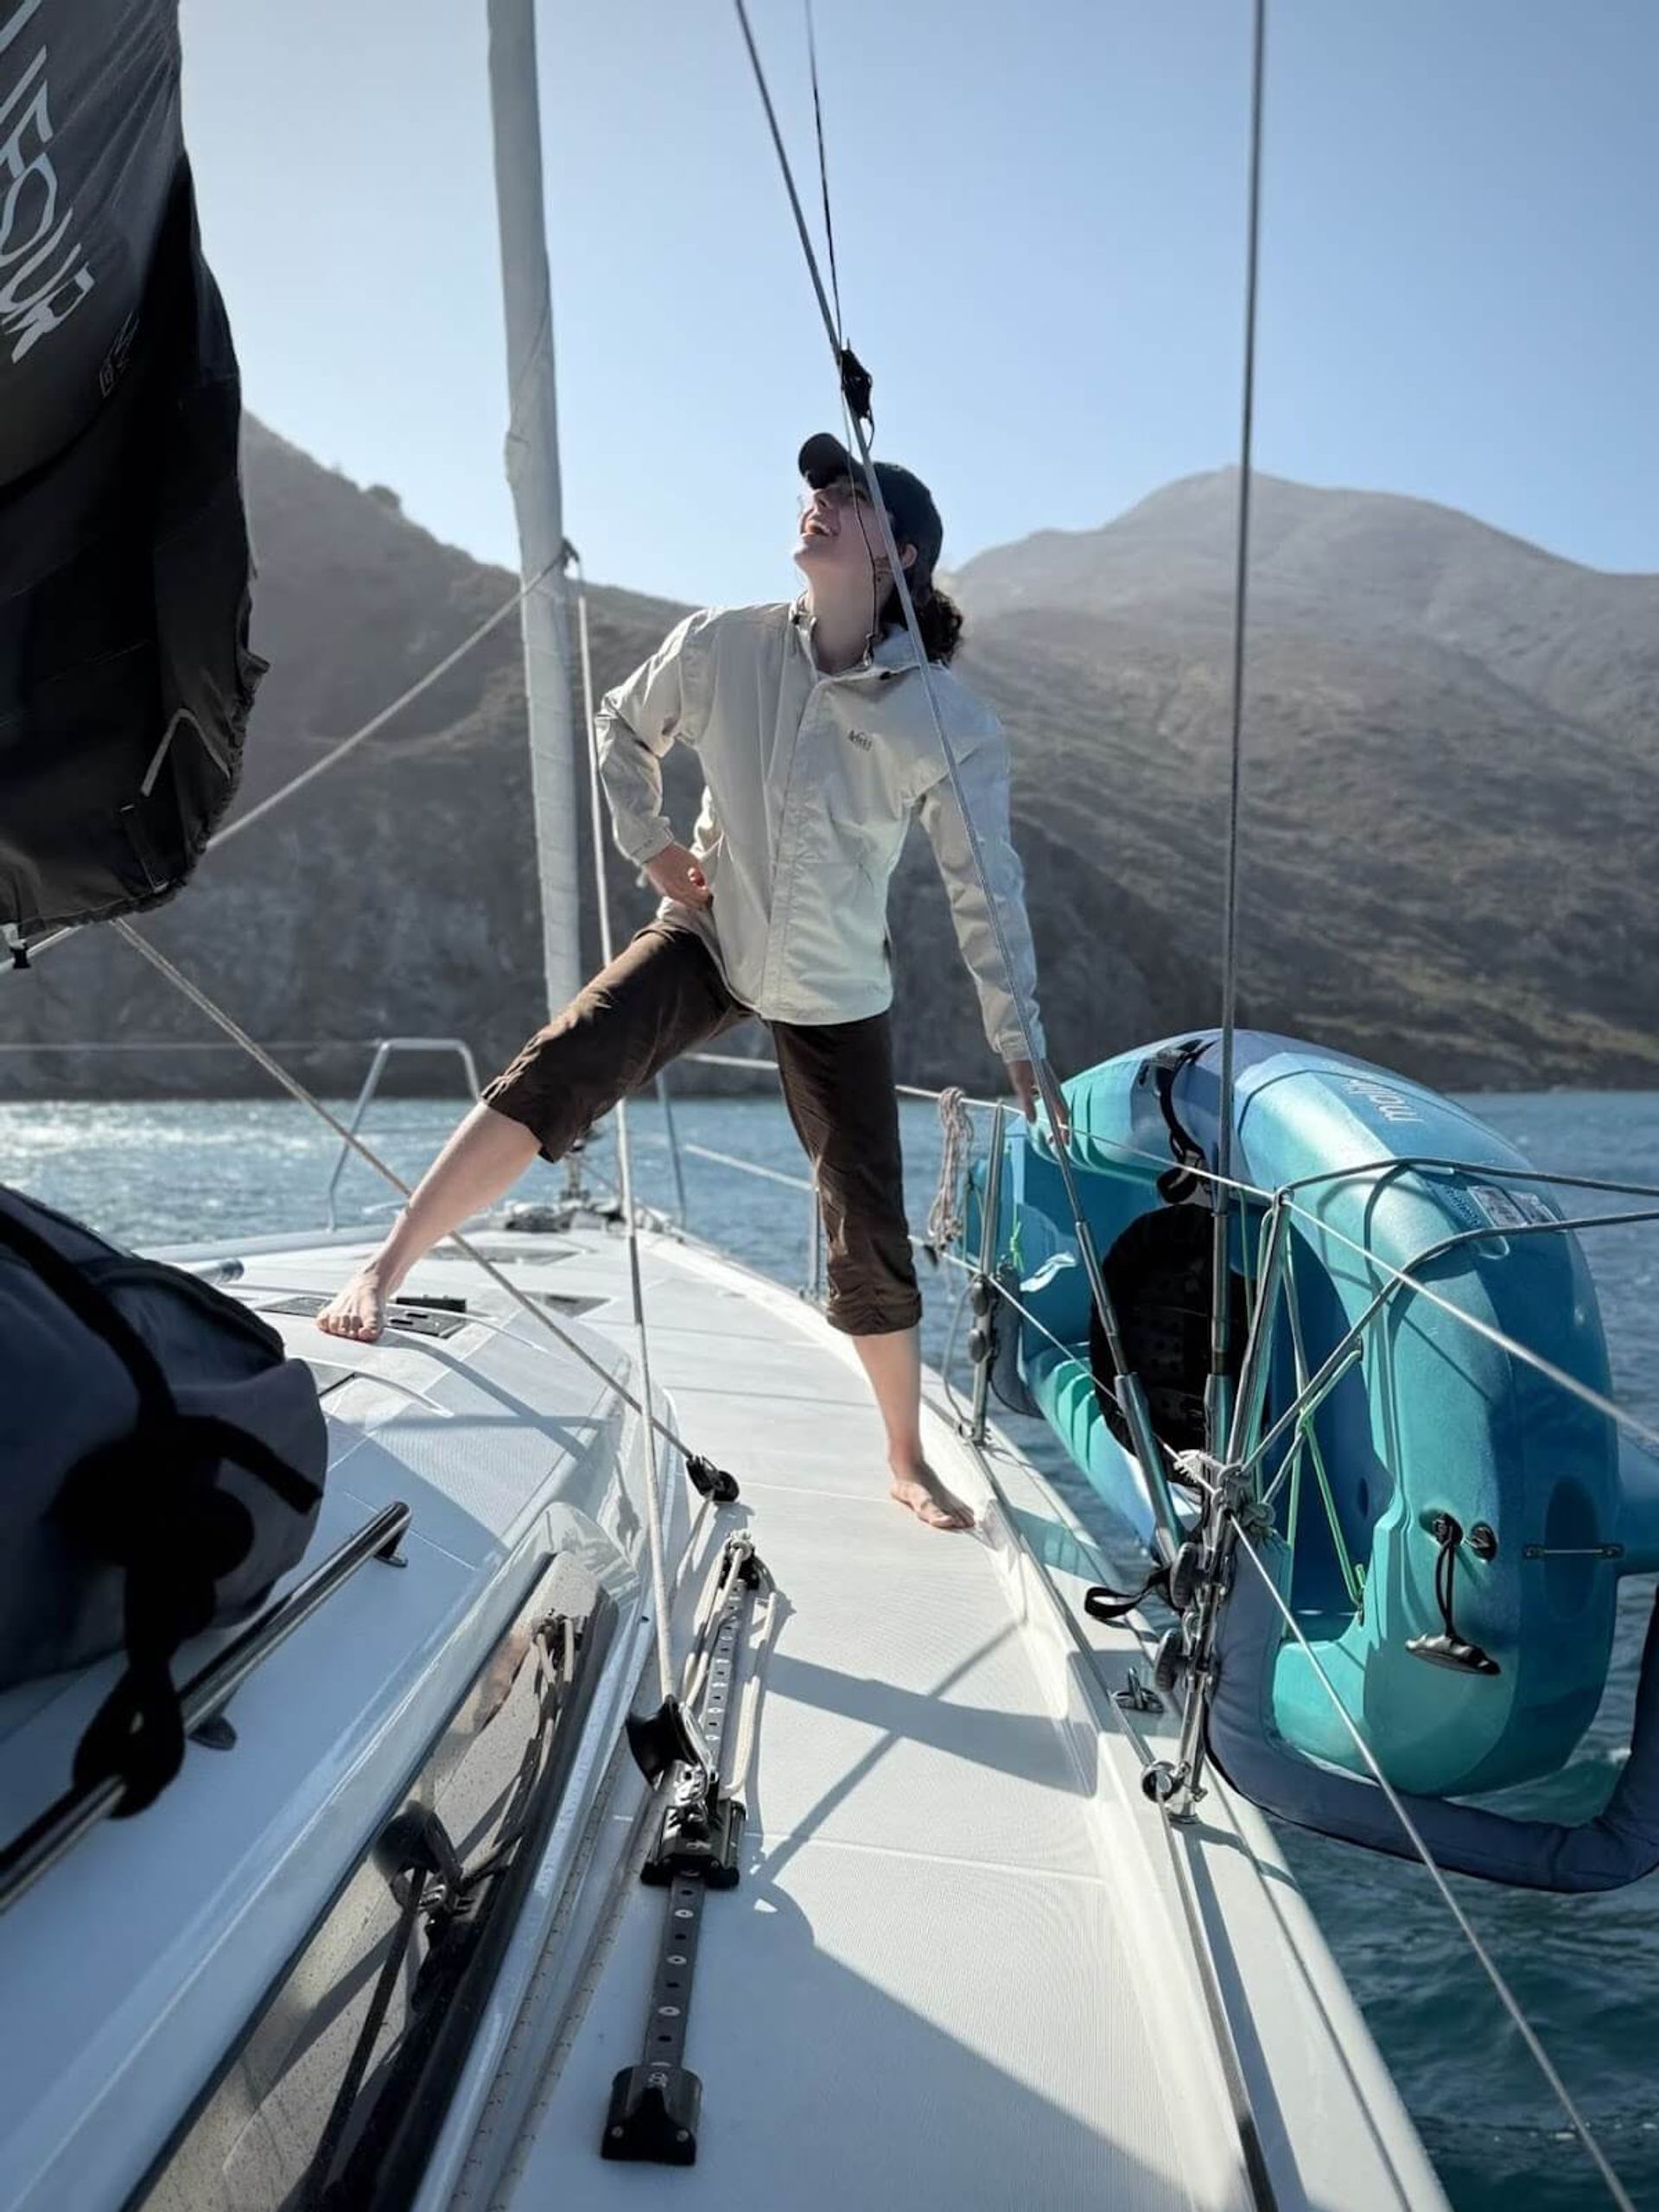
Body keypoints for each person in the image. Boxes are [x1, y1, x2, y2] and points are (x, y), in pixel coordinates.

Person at [318, 433, 1061, 1531]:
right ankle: (385, 1269)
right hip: (712, 932)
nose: (818, 499)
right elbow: (622, 726)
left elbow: (984, 888)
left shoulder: (944, 721)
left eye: (848, 493)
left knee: (866, 1219)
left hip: (833, 982)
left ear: (899, 554)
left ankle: (906, 1458)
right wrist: (653, 845)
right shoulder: (724, 644)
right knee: (561, 1061)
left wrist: (1019, 1039)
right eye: (816, 486)